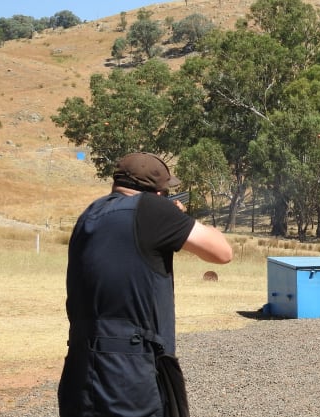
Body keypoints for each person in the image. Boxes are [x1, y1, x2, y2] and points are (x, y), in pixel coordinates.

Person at [58, 152, 233, 417]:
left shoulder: (90, 214)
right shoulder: (152, 210)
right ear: (156, 192)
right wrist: (182, 219)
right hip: (128, 375)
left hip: (79, 372)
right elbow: (222, 253)